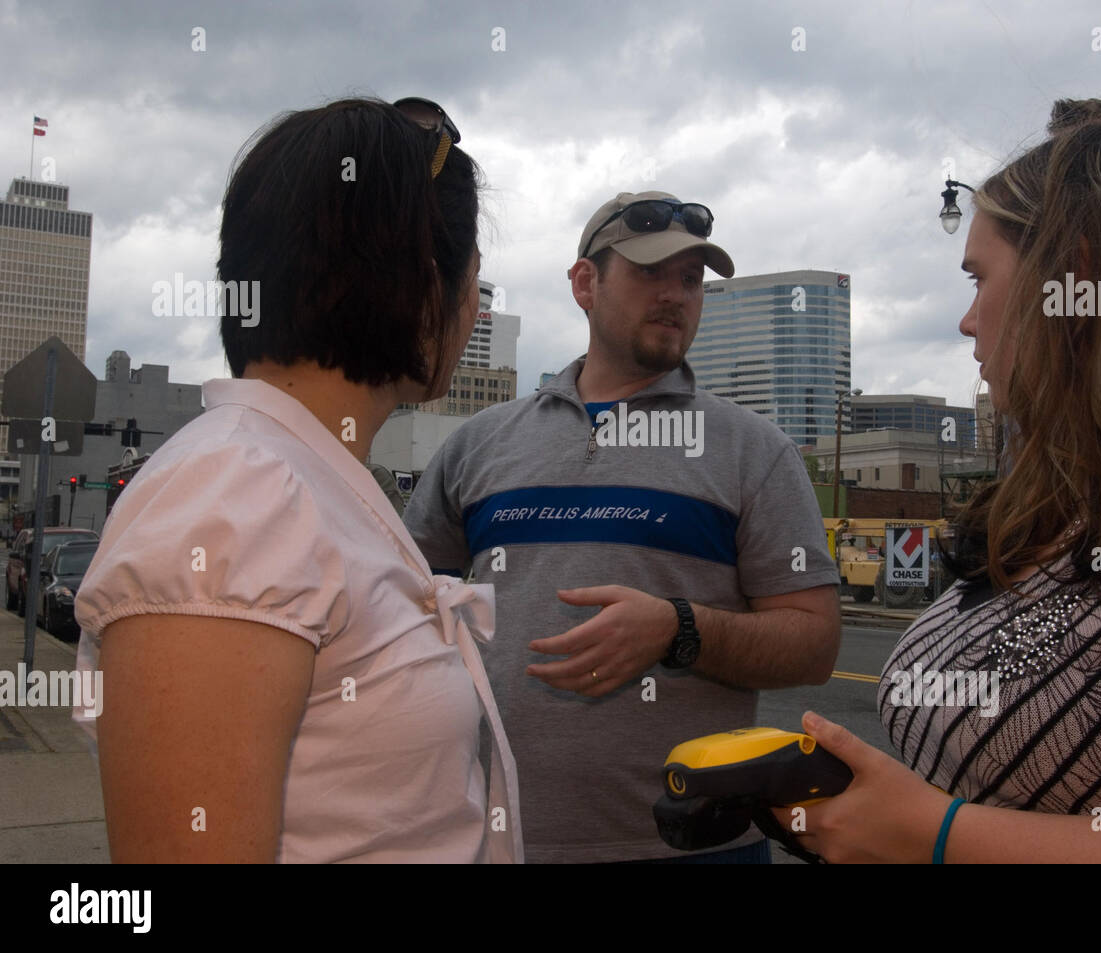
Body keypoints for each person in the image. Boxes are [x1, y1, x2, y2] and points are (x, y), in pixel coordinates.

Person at [782, 99, 1101, 862]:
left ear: (1075, 278)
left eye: (978, 278)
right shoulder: (1082, 478)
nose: (965, 321)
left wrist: (936, 834)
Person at [72, 96, 522, 863]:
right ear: (418, 289)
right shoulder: (240, 498)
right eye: (473, 280)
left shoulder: (299, 477)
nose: (475, 309)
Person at [404, 190, 842, 863]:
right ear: (585, 283)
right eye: (648, 272)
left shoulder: (754, 450)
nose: (675, 295)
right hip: (492, 838)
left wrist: (680, 628)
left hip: (694, 849)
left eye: (691, 280)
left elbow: (814, 644)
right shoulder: (480, 444)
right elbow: (402, 603)